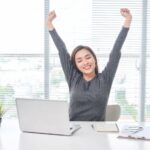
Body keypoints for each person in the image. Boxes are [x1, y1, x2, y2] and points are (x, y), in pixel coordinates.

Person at [47, 8, 132, 121]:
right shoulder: (73, 78)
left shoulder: (105, 78)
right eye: (79, 60)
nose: (85, 62)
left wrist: (128, 20)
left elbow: (115, 51)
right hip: (73, 131)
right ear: (76, 65)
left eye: (88, 57)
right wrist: (49, 24)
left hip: (98, 132)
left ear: (94, 60)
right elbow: (62, 50)